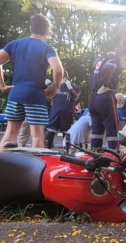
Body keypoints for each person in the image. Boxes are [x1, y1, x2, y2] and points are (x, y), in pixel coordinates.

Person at [0, 14, 63, 152]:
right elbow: (58, 70)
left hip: (15, 94)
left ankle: (2, 168)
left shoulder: (14, 44)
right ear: (47, 31)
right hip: (35, 96)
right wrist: (55, 86)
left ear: (30, 28)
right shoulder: (47, 48)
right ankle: (35, 171)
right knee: (37, 135)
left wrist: (2, 85)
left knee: (10, 134)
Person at [88, 48, 126, 151]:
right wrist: (105, 86)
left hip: (93, 97)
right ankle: (114, 155)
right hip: (105, 96)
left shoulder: (101, 59)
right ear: (120, 54)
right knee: (113, 129)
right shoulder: (113, 62)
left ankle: (96, 152)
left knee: (97, 130)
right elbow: (109, 68)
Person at [45, 70, 79, 149]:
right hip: (55, 112)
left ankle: (67, 152)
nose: (61, 80)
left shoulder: (73, 86)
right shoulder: (55, 86)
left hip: (66, 113)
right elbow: (46, 95)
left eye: (62, 78)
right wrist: (46, 86)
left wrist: (70, 87)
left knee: (66, 133)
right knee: (50, 132)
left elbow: (76, 97)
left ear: (66, 78)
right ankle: (47, 151)